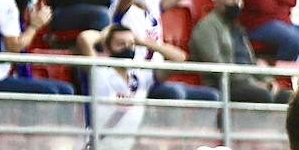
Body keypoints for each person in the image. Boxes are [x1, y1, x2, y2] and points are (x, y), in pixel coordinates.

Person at [188, 0, 285, 103]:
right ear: (216, 0)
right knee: (263, 95)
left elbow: (250, 61)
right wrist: (253, 83)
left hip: (248, 81)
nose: (237, 4)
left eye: (239, 0)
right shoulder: (207, 27)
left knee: (289, 97)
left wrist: (268, 80)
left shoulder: (237, 28)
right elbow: (215, 65)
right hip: (224, 84)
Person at [86, 22, 220, 103]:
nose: (127, 48)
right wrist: (108, 32)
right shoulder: (99, 70)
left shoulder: (140, 75)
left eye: (131, 44)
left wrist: (143, 42)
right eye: (120, 44)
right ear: (108, 47)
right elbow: (85, 39)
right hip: (100, 145)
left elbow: (180, 59)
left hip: (129, 147)